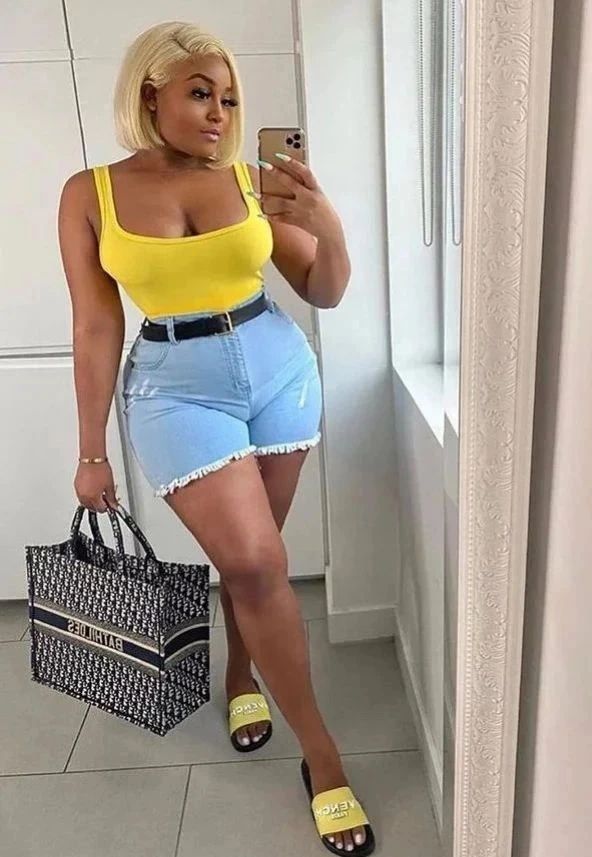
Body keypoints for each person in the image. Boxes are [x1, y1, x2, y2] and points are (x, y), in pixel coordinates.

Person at [57, 20, 374, 857]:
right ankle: (324, 757)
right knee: (258, 564)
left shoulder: (253, 179)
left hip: (278, 371)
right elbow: (95, 324)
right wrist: (91, 450)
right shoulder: (89, 193)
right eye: (200, 93)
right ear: (149, 94)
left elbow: (325, 289)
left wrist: (330, 225)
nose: (219, 114)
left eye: (229, 98)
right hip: (175, 388)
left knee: (253, 562)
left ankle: (240, 674)